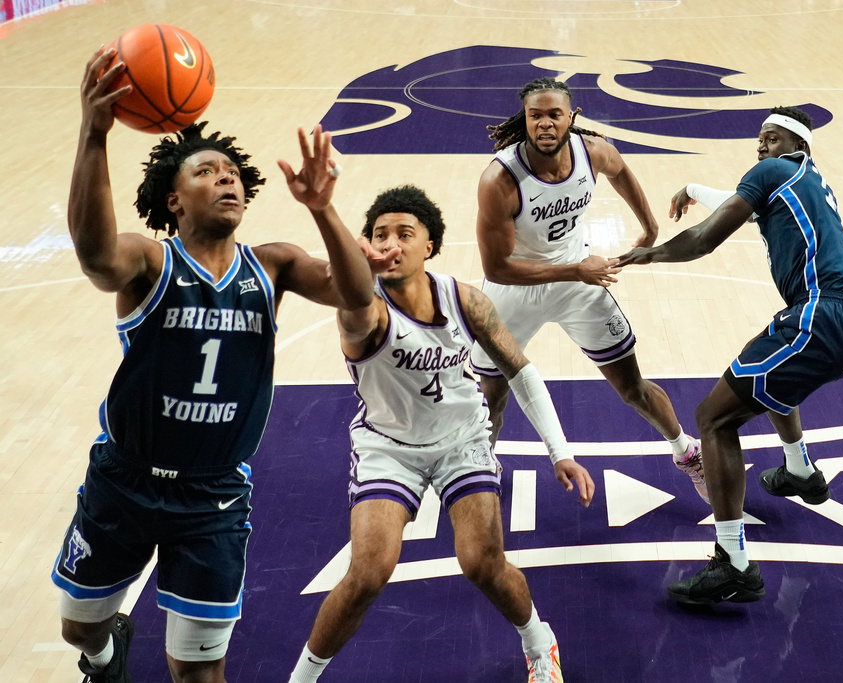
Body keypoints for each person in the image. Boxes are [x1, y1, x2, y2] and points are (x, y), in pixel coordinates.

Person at [52, 47, 354, 683]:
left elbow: (354, 293)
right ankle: (106, 659)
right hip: (124, 480)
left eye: (232, 173)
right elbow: (96, 256)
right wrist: (93, 132)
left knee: (199, 669)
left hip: (213, 495)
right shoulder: (151, 263)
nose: (227, 179)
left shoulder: (272, 265)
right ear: (174, 200)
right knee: (78, 626)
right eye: (207, 172)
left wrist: (323, 209)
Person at [286, 185, 595, 683]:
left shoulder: (464, 298)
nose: (391, 243)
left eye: (404, 233)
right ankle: (301, 678)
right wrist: (328, 217)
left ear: (429, 246)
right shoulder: (366, 311)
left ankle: (540, 642)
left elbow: (520, 370)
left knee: (481, 564)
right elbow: (354, 302)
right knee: (367, 575)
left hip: (462, 440)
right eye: (379, 234)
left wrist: (561, 452)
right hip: (389, 448)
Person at [618, 107, 843, 604]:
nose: (760, 146)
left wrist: (646, 254)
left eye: (770, 137)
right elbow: (741, 203)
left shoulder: (774, 170)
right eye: (758, 138)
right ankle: (799, 469)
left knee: (712, 419)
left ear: (796, 143)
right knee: (762, 370)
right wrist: (694, 189)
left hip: (819, 316)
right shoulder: (806, 181)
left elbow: (705, 239)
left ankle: (733, 562)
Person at [470, 77, 707, 503]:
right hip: (516, 290)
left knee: (632, 386)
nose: (544, 124)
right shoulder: (499, 180)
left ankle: (686, 452)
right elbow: (497, 268)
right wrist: (575, 269)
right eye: (535, 115)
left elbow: (620, 170)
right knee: (491, 394)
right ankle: (481, 464)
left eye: (554, 114)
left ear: (571, 117)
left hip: (579, 282)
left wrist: (650, 227)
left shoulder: (591, 150)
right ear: (523, 120)